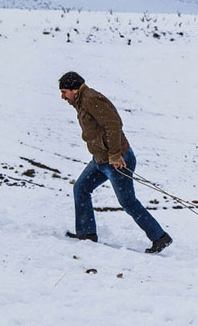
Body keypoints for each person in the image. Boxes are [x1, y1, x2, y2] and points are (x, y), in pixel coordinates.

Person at [59, 71, 172, 253]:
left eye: (64, 92)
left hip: (117, 160)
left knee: (128, 202)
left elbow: (113, 124)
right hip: (100, 160)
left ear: (74, 89)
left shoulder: (91, 98)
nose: (62, 97)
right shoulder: (80, 101)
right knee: (81, 188)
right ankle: (86, 233)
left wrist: (115, 154)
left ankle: (160, 237)